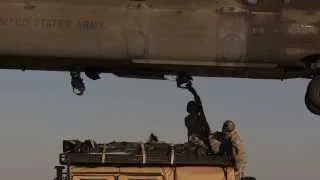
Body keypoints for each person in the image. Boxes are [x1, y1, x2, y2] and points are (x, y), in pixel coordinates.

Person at [184, 82, 211, 153]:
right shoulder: (187, 119)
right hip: (193, 143)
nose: (192, 109)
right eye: (190, 108)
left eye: (193, 107)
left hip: (202, 144)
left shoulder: (201, 117)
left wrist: (192, 90)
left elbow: (198, 99)